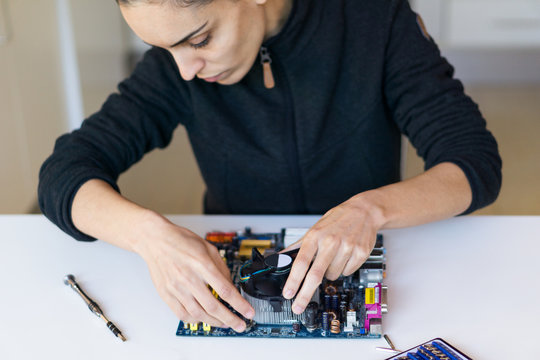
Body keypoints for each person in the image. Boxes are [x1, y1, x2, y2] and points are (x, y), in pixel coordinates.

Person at [38, 0, 501, 333]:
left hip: (374, 262)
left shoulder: (376, 19)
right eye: (164, 48)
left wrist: (371, 210)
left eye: (199, 39)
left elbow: (473, 161)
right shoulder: (173, 67)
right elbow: (64, 173)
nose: (185, 70)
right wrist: (148, 236)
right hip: (242, 271)